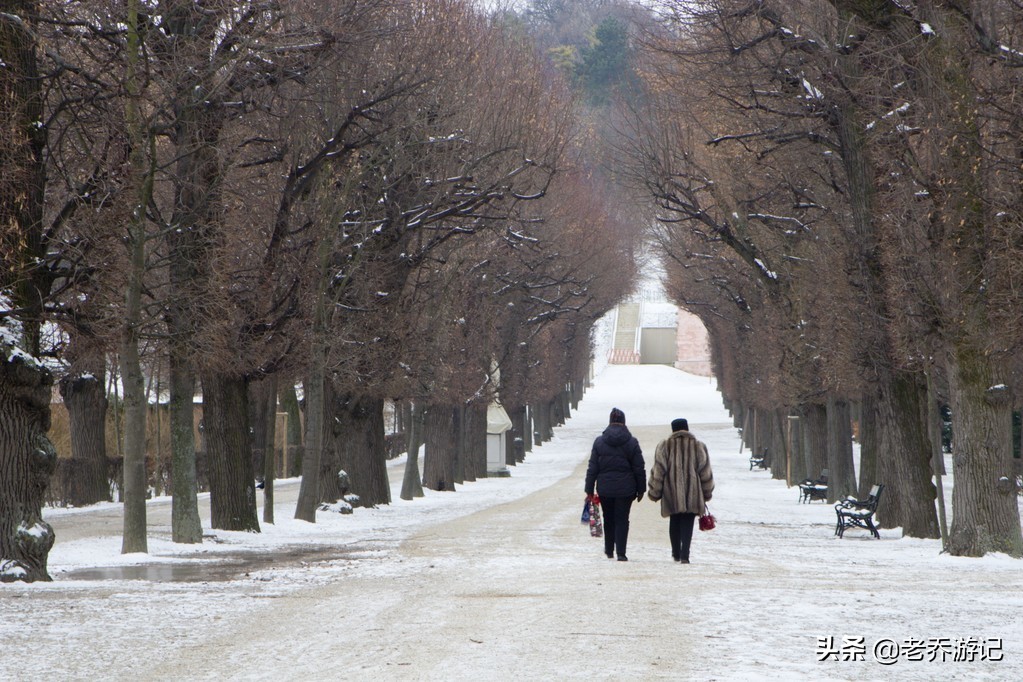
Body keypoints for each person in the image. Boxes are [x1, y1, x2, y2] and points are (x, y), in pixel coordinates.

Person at [647, 418, 714, 564]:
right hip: (692, 492)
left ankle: (676, 552)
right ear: (687, 429)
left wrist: (655, 492)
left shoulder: (665, 446)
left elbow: (659, 471)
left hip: (672, 493)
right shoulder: (698, 446)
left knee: (675, 521)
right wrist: (707, 492)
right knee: (688, 523)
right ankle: (685, 555)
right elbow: (705, 472)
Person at [585, 407, 646, 561]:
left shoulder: (599, 442)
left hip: (605, 487)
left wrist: (589, 488)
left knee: (609, 518)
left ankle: (609, 549)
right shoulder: (632, 442)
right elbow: (639, 467)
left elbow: (593, 467)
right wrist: (641, 489)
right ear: (624, 422)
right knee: (622, 519)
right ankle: (621, 552)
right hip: (626, 488)